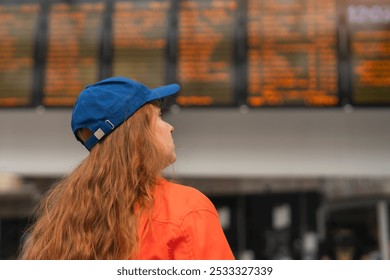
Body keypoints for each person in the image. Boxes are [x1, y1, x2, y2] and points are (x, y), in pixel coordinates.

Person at [19, 77, 234, 260]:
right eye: (158, 117)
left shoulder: (61, 224)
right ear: (136, 132)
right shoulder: (186, 209)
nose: (170, 127)